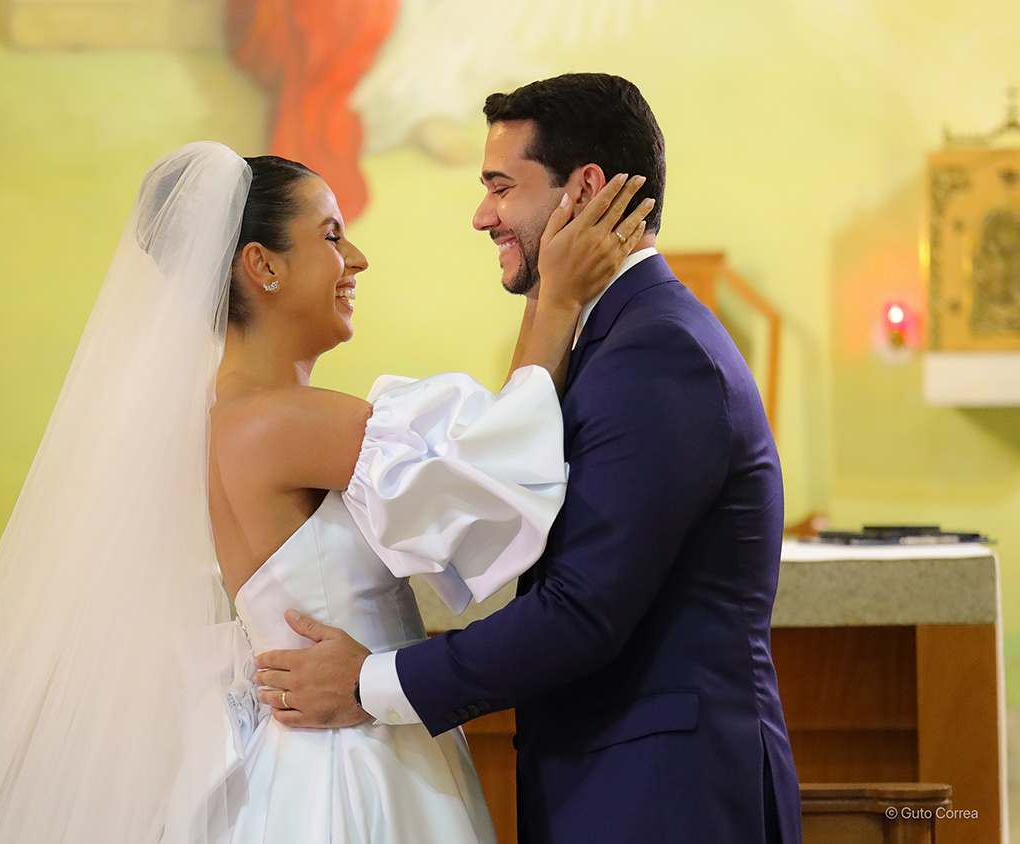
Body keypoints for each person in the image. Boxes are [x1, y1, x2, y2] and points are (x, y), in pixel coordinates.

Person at [0, 141, 650, 843]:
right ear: (263, 266)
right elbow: (495, 478)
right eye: (332, 236)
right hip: (350, 769)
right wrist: (556, 301)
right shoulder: (278, 423)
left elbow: (477, 463)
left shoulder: (223, 418)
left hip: (299, 753)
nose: (358, 259)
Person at [257, 73, 804, 844]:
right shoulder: (614, 336)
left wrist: (368, 683)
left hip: (665, 795)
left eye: (501, 187)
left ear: (584, 190)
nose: (483, 216)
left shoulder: (658, 353)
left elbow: (581, 613)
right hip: (616, 782)